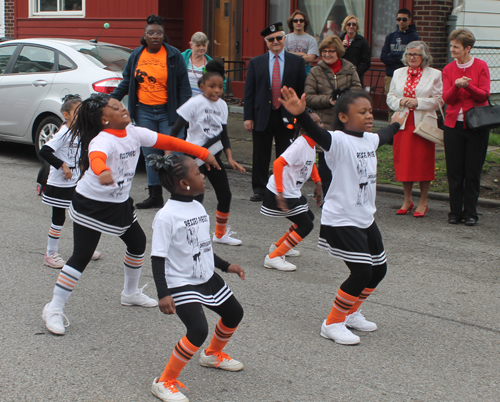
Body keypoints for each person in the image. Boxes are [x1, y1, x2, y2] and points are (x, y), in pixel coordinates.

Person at [41, 93, 220, 336]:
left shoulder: (135, 133)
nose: (123, 109)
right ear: (104, 120)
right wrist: (102, 171)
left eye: (121, 105)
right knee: (81, 256)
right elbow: (96, 157)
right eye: (115, 108)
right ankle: (53, 308)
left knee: (137, 243)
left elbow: (169, 141)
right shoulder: (103, 140)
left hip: (119, 203)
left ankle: (130, 293)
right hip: (92, 204)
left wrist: (201, 152)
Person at [279, 86, 406, 345]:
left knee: (378, 270)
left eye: (371, 111)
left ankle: (350, 313)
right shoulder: (337, 141)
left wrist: (396, 124)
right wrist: (301, 114)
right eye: (362, 112)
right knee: (361, 271)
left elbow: (384, 134)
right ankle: (333, 323)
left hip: (365, 218)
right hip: (341, 219)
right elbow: (317, 133)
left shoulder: (368, 140)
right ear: (345, 117)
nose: (369, 116)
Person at [149, 154, 245, 402]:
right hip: (180, 282)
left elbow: (203, 247)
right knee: (197, 329)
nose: (203, 175)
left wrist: (226, 266)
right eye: (197, 172)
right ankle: (164, 382)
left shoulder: (198, 206)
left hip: (205, 276)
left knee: (234, 313)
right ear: (184, 183)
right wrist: (163, 293)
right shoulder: (166, 216)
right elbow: (157, 258)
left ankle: (212, 354)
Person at [110, 14, 191, 209]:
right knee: (151, 155)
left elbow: (184, 88)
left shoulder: (174, 56)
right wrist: (112, 98)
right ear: (144, 36)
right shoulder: (137, 55)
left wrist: (185, 115)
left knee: (174, 155)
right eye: (151, 33)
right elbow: (127, 81)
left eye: (159, 33)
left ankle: (179, 196)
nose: (155, 36)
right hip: (144, 112)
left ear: (164, 36)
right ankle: (155, 196)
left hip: (170, 113)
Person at [170, 60, 246, 246]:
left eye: (220, 87)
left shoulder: (222, 106)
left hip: (214, 157)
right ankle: (186, 233)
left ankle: (219, 235)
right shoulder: (194, 103)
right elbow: (175, 131)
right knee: (196, 197)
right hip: (194, 157)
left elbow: (224, 135)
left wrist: (230, 158)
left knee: (225, 195)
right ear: (202, 86)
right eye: (212, 86)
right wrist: (170, 153)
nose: (217, 91)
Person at [243, 22, 306, 202]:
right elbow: (249, 92)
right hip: (262, 114)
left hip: (287, 114)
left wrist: (301, 116)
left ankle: (283, 187)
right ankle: (260, 189)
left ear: (285, 39)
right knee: (260, 153)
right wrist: (248, 117)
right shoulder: (256, 63)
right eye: (271, 39)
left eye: (279, 38)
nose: (275, 41)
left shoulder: (297, 62)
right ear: (266, 42)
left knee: (286, 154)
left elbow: (302, 90)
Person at [39, 94, 102, 268]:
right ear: (66, 115)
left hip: (75, 181)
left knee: (79, 215)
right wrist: (63, 167)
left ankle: (81, 251)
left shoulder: (80, 131)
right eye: (77, 112)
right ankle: (50, 253)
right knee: (58, 218)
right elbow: (45, 151)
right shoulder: (63, 132)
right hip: (59, 183)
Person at [260, 109, 323, 271]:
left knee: (308, 217)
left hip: (292, 190)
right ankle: (273, 257)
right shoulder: (300, 145)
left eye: (321, 122)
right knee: (306, 225)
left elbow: (310, 164)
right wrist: (280, 192)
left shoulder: (311, 143)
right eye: (315, 123)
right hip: (281, 191)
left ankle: (278, 247)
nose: (320, 125)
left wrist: (318, 183)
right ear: (303, 127)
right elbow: (277, 164)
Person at [386, 41, 443, 217]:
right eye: (409, 54)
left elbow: (439, 100)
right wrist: (401, 101)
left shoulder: (434, 74)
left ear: (423, 57)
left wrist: (418, 102)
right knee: (405, 163)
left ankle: (423, 200)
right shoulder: (398, 73)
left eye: (415, 55)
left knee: (423, 162)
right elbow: (390, 97)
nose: (411, 58)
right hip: (402, 123)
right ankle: (407, 199)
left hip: (423, 124)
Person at [443, 29, 491, 226]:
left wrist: (467, 86)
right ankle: (454, 211)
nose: (452, 49)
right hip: (453, 125)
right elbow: (447, 98)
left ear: (467, 48)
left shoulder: (481, 66)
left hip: (477, 126)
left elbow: (484, 95)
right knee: (454, 171)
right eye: (451, 45)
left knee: (472, 171)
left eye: (456, 46)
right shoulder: (448, 69)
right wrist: (456, 85)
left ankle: (470, 212)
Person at [305, 34, 362, 196]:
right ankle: (328, 196)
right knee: (325, 162)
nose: (327, 54)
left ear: (338, 51)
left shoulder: (350, 69)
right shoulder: (316, 71)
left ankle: (346, 195)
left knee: (346, 161)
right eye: (324, 51)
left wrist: (345, 98)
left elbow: (358, 89)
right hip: (325, 122)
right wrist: (328, 100)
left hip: (346, 123)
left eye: (331, 51)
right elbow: (308, 97)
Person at [380, 8, 420, 121]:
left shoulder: (414, 37)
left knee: (405, 103)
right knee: (391, 104)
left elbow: (411, 58)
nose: (401, 22)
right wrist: (400, 58)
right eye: (399, 19)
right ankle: (391, 131)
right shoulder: (390, 36)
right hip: (390, 75)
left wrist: (393, 56)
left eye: (404, 19)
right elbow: (383, 56)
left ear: (409, 20)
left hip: (407, 75)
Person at [181, 32, 218, 97]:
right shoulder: (181, 58)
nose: (201, 48)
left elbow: (220, 82)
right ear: (191, 45)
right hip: (184, 101)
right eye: (198, 45)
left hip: (203, 102)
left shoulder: (211, 64)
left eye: (204, 45)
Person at [339, 15, 371, 87]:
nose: (351, 26)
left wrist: (355, 73)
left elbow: (366, 62)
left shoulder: (362, 41)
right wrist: (341, 48)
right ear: (345, 26)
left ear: (357, 27)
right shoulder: (338, 40)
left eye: (354, 24)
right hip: (340, 76)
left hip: (356, 77)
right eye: (348, 24)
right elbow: (335, 57)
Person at [284, 10, 319, 75]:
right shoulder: (285, 38)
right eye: (295, 21)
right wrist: (302, 54)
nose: (298, 22)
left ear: (305, 22)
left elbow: (310, 58)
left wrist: (290, 54)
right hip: (288, 70)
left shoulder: (311, 39)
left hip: (305, 70)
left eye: (301, 20)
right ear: (292, 23)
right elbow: (283, 56)